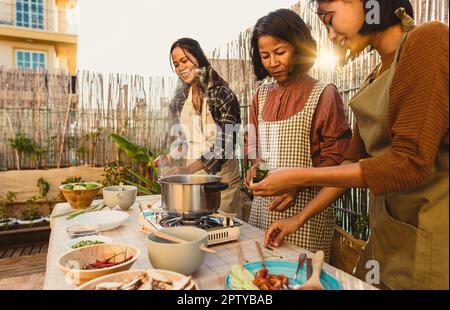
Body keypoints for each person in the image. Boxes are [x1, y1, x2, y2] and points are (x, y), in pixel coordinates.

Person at [250, 0, 449, 290]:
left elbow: (410, 163)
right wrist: (298, 218)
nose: (330, 34)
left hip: (430, 243)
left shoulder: (428, 40)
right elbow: (349, 164)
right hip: (387, 240)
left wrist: (299, 176)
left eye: (330, 19)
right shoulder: (375, 77)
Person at [244, 9, 352, 261]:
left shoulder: (323, 94)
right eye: (265, 56)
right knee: (260, 276)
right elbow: (255, 146)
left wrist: (296, 183)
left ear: (300, 47)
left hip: (306, 217)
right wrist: (255, 168)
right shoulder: (260, 96)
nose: (272, 62)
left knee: (299, 279)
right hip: (262, 213)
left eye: (280, 52)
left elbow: (337, 162)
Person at [155, 38, 242, 216]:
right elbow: (187, 138)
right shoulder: (185, 95)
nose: (180, 68)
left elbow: (225, 146)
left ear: (199, 58)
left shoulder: (221, 94)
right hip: (192, 186)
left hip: (220, 186)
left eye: (185, 61)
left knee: (221, 234)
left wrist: (187, 170)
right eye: (176, 64)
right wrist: (170, 156)